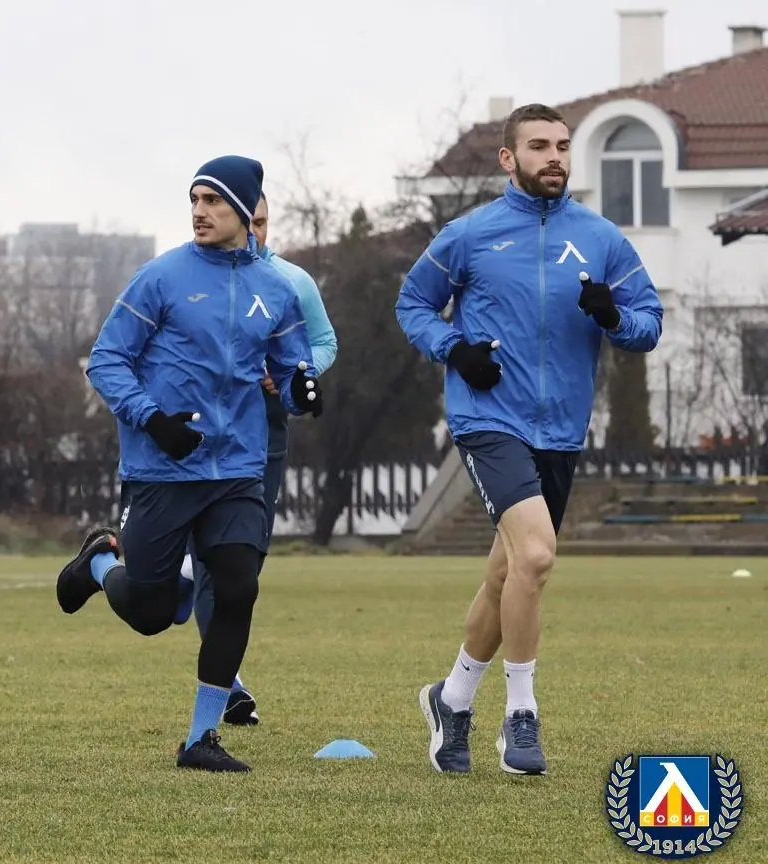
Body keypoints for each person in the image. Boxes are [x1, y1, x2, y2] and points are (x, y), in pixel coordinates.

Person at [395, 103, 663, 776]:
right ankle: (520, 714)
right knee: (537, 554)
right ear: (508, 158)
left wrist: (613, 316)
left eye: (562, 146)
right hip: (489, 419)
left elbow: (648, 322)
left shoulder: (600, 238)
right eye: (539, 145)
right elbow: (413, 304)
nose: (555, 157)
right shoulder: (468, 234)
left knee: (508, 571)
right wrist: (455, 350)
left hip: (561, 428)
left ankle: (451, 698)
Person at [56, 156, 321, 773]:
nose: (200, 211)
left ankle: (201, 738)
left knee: (238, 588)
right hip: (164, 468)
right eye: (195, 200)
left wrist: (303, 389)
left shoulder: (276, 289)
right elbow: (107, 360)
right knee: (152, 613)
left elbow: (291, 369)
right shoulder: (161, 277)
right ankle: (99, 564)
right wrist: (153, 420)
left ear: (244, 211)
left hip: (238, 469)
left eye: (214, 201)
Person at [174, 193, 338, 726]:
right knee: (216, 565)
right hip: (202, 430)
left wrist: (296, 372)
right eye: (251, 222)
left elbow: (325, 343)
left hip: (265, 429)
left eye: (262, 223)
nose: (256, 232)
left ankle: (187, 580)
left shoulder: (292, 282)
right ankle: (228, 688)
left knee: (245, 564)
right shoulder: (183, 278)